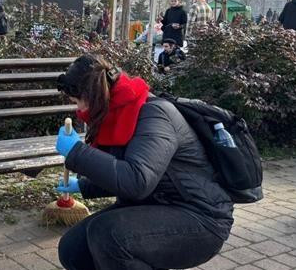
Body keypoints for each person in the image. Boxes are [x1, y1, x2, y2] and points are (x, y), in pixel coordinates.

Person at [54, 55, 233, 269]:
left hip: (201, 217)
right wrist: (82, 185)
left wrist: (77, 153)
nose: (79, 110)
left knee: (109, 235)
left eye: (77, 102)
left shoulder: (154, 115)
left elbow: (136, 181)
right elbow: (122, 169)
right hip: (157, 204)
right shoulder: (117, 113)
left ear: (91, 95)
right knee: (73, 249)